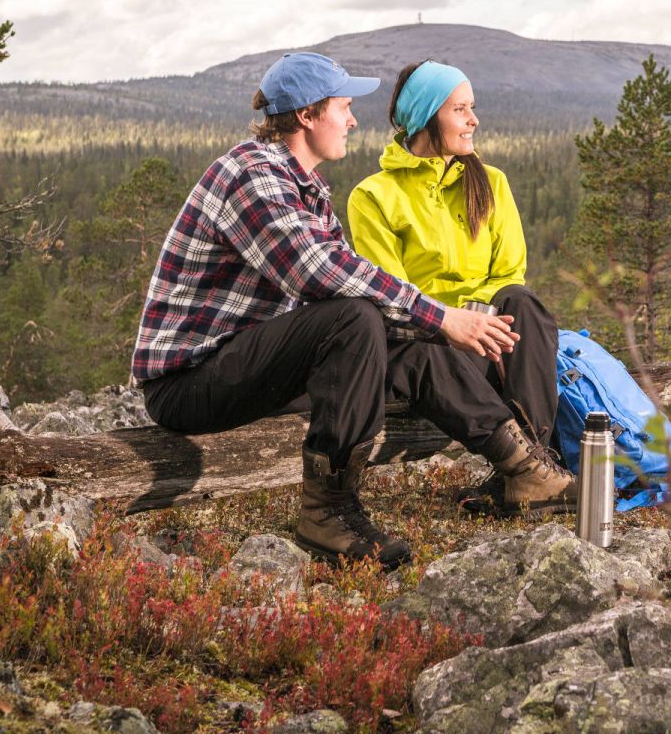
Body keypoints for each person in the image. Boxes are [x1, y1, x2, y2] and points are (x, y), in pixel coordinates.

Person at [131, 53, 575, 571]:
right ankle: (329, 511)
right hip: (190, 381)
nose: (354, 119)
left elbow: (355, 287)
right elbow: (321, 273)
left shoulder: (306, 188)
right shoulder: (252, 176)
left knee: (387, 328)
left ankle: (522, 466)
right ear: (307, 115)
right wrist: (446, 320)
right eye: (344, 107)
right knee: (357, 315)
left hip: (254, 367)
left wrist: (429, 326)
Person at [348, 60, 562, 454]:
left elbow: (510, 272)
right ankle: (528, 469)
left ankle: (535, 458)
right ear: (426, 117)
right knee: (423, 352)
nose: (474, 120)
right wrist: (452, 323)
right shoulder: (373, 196)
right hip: (429, 345)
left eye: (472, 107)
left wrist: (478, 319)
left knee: (524, 303)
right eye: (460, 109)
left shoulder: (491, 182)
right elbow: (390, 295)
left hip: (488, 337)